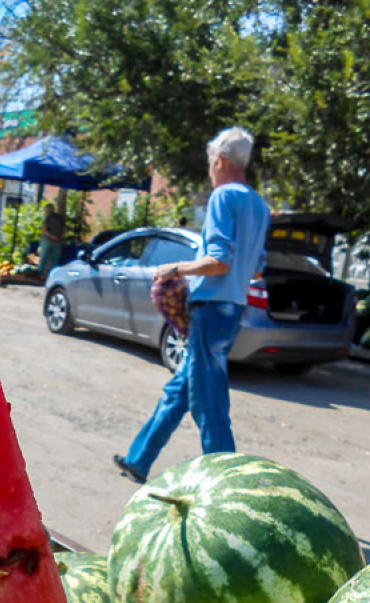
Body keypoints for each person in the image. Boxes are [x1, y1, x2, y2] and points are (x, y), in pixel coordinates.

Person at [113, 126, 270, 484]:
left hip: (212, 308)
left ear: (221, 160)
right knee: (180, 391)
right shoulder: (259, 206)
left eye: (211, 163)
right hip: (231, 308)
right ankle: (139, 459)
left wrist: (175, 268)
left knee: (207, 400)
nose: (211, 170)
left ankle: (227, 481)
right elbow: (256, 268)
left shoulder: (223, 197)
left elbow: (218, 260)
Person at [38, 201, 65, 278]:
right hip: (58, 241)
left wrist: (51, 236)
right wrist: (59, 237)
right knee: (55, 260)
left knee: (43, 258)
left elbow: (44, 229)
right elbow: (64, 230)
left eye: (45, 210)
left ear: (48, 210)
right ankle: (52, 276)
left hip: (48, 240)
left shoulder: (48, 217)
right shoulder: (60, 217)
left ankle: (39, 274)